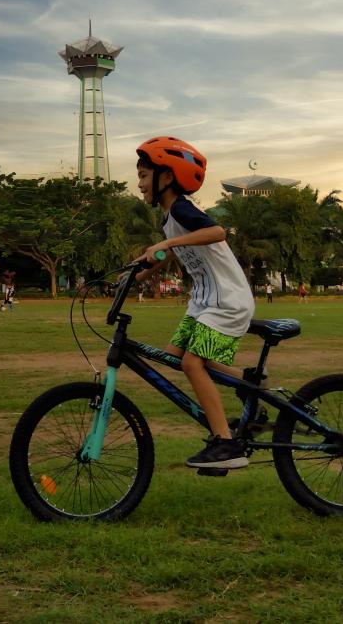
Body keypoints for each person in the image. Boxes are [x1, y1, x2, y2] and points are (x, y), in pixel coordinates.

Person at [132, 136, 254, 470]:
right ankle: (249, 380)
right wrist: (136, 275)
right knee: (174, 358)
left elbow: (217, 232)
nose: (140, 184)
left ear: (166, 177)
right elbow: (167, 252)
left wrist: (168, 241)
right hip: (203, 302)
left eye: (144, 176)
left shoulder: (183, 209)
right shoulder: (169, 217)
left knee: (191, 364)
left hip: (227, 300)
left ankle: (226, 443)